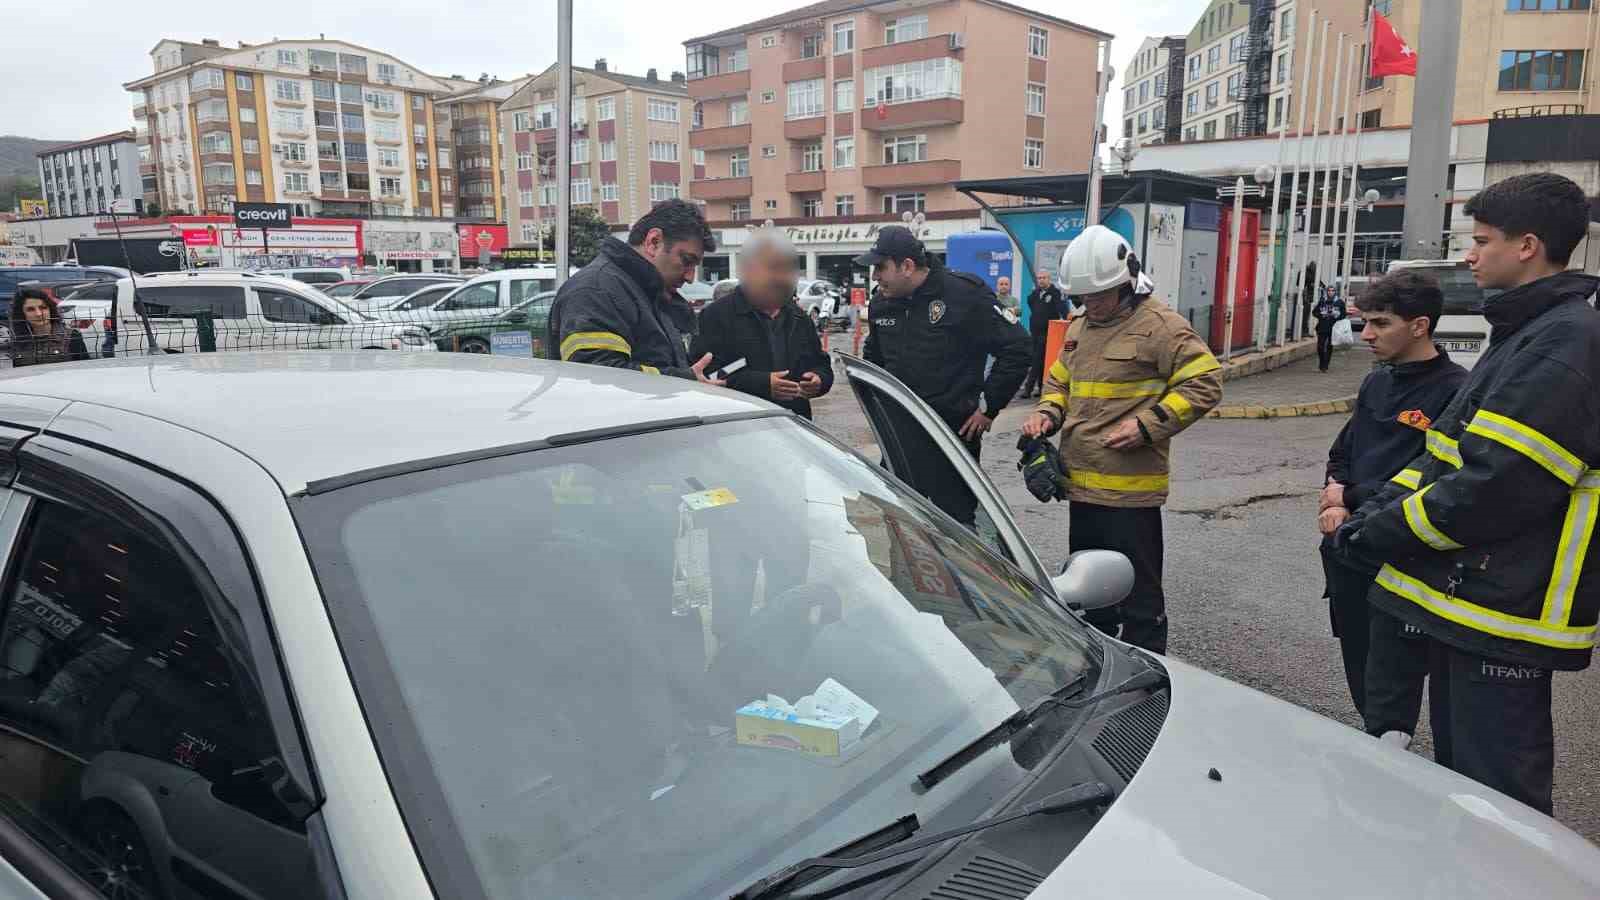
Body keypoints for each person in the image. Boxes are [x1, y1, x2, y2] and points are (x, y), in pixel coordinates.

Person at [1336, 173, 1600, 814]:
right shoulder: (1528, 330)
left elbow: (1497, 485)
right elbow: (1444, 455)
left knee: (1497, 803)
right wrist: (1375, 511)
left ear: (1527, 246)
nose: (1469, 255)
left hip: (1503, 602)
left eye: (1481, 241)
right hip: (1475, 594)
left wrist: (1380, 531)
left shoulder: (1565, 341)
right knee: (1464, 786)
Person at [1022, 226, 1223, 653]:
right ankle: (1099, 662)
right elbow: (1059, 382)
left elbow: (1205, 381)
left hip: (1131, 497)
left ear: (1127, 282)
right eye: (1082, 298)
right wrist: (1046, 414)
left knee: (1139, 601)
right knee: (1091, 591)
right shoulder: (1079, 327)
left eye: (1100, 296)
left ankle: (1150, 670)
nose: (1091, 305)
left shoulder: (1161, 326)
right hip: (1082, 489)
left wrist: (1148, 425)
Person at [1317, 270, 1468, 742]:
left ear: (1419, 326)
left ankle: (1391, 754)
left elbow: (1432, 477)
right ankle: (1375, 744)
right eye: (1366, 322)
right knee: (1361, 669)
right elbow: (1343, 450)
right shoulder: (1375, 382)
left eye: (1380, 323)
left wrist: (1350, 498)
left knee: (1393, 686)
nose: (1366, 334)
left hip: (1402, 558)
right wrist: (1335, 493)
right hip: (1349, 549)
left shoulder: (1456, 392)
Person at [859, 225, 1031, 523]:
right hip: (900, 440)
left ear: (906, 266)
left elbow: (1018, 348)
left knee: (955, 527)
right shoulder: (881, 303)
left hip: (951, 441)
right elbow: (873, 360)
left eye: (880, 267)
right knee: (900, 525)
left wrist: (988, 407)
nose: (875, 276)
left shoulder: (964, 294)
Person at [548, 199, 721, 382]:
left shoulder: (644, 291)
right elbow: (597, 375)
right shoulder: (596, 290)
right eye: (687, 261)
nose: (690, 277)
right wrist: (683, 379)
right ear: (654, 242)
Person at [689, 229, 832, 420]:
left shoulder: (798, 317)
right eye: (772, 268)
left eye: (786, 270)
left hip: (794, 424)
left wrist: (818, 380)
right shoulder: (716, 316)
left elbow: (820, 364)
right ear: (749, 270)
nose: (780, 277)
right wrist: (762, 383)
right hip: (743, 425)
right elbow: (709, 374)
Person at [8, 286, 89, 368]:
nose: (38, 314)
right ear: (21, 314)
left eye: (43, 308)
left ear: (50, 309)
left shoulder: (72, 336)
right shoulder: (17, 340)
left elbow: (85, 369)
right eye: (30, 309)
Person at [1019, 270, 1068, 398]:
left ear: (1049, 279)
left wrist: (1068, 320)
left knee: (1036, 360)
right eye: (1039, 278)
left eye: (1043, 278)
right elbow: (1030, 303)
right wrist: (1035, 291)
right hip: (1035, 332)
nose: (1041, 280)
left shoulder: (1055, 293)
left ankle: (1028, 389)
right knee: (1040, 360)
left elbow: (1063, 310)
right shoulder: (1036, 293)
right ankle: (1041, 388)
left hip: (1047, 332)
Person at [1313, 283, 1346, 371]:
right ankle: (1322, 362)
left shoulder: (1339, 302)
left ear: (1335, 292)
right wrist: (1321, 315)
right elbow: (1314, 312)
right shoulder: (1322, 301)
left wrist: (1336, 315)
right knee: (1320, 346)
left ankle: (1325, 365)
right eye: (1329, 291)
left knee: (1329, 346)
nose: (1330, 292)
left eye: (1332, 291)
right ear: (1326, 292)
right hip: (1322, 326)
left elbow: (1343, 314)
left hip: (1334, 327)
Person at [1300, 261, 1319, 340]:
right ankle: (1304, 330)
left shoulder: (1305, 272)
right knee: (1306, 314)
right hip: (1307, 296)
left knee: (1306, 314)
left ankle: (1305, 329)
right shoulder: (1309, 274)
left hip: (1307, 296)